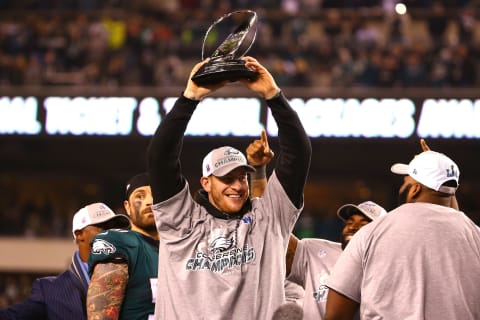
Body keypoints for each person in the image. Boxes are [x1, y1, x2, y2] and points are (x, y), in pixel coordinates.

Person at [147, 56, 312, 319]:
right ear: (205, 182)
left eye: (241, 177)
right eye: (226, 178)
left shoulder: (269, 219)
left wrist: (273, 95)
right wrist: (189, 97)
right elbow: (160, 158)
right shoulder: (180, 220)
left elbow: (298, 154)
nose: (237, 186)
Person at [247, 128, 386, 320]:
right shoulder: (316, 253)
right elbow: (270, 227)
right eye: (350, 221)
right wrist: (258, 172)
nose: (353, 226)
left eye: (365, 223)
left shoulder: (393, 266)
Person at [324, 149, 480, 319]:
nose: (403, 184)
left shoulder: (373, 232)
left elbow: (335, 315)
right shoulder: (475, 235)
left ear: (415, 189)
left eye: (406, 180)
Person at [0, 202, 131, 320]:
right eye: (103, 228)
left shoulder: (135, 279)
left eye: (114, 229)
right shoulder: (49, 290)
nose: (112, 234)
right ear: (79, 234)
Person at [86, 173, 159, 320]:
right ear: (128, 207)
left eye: (156, 195)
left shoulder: (181, 248)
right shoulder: (122, 243)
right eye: (140, 196)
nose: (149, 202)